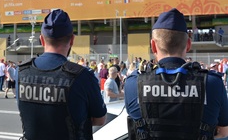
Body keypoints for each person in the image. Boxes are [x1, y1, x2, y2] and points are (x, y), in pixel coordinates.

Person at [124, 8, 228, 139]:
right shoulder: (213, 83)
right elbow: (223, 132)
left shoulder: (133, 84)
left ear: (153, 46)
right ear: (188, 44)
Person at [18, 9, 106, 140]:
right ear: (71, 40)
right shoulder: (83, 76)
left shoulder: (22, 72)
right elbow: (99, 120)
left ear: (41, 40)